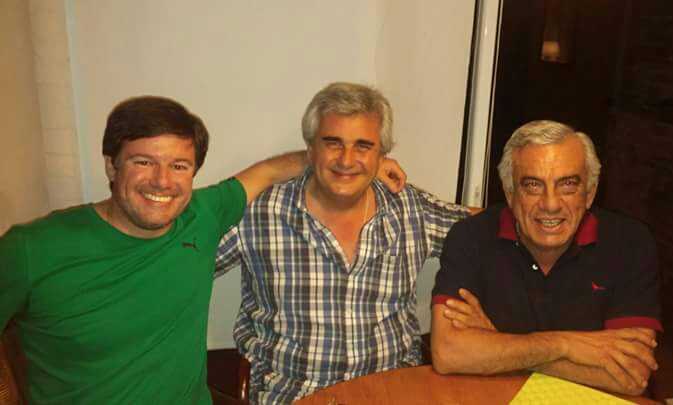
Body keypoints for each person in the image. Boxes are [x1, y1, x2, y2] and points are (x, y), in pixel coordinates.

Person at [0, 95, 404, 404]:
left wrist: (355, 164)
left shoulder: (201, 216)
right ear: (111, 165)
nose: (162, 181)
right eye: (143, 162)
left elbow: (267, 171)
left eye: (179, 166)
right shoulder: (33, 249)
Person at [215, 82, 473, 404]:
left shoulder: (411, 209)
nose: (346, 160)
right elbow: (181, 254)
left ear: (382, 156)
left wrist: (488, 322)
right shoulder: (258, 212)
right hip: (294, 396)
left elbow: (495, 229)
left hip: (392, 394)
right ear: (310, 149)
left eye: (363, 146)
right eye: (333, 143)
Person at [431, 120, 662, 396]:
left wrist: (497, 346)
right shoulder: (471, 237)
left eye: (567, 185)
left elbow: (632, 375)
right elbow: (448, 353)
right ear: (510, 193)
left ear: (589, 193)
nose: (550, 204)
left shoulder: (630, 243)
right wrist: (565, 345)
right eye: (533, 186)